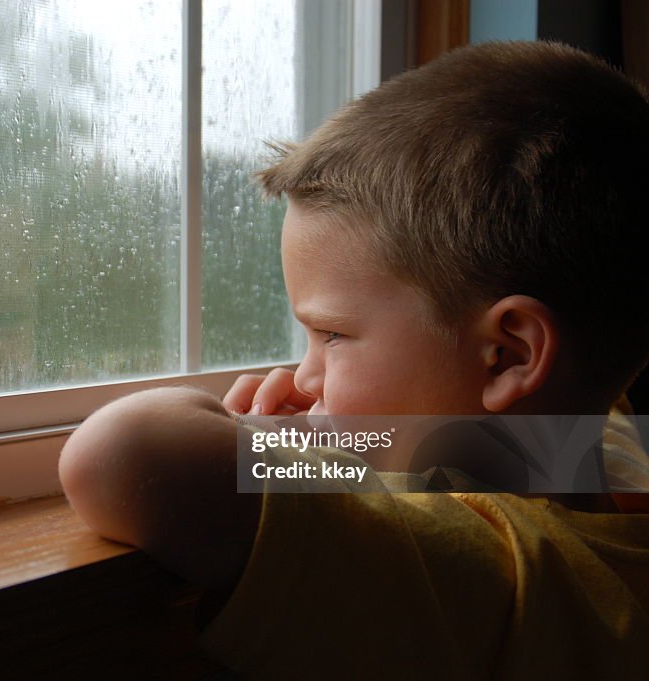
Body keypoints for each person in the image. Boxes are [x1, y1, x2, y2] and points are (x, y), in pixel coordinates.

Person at [58, 41, 649, 679]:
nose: (304, 379)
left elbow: (119, 455)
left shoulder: (495, 583)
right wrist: (362, 435)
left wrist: (264, 449)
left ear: (509, 354)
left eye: (332, 336)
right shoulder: (609, 453)